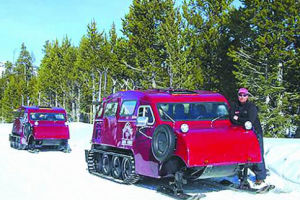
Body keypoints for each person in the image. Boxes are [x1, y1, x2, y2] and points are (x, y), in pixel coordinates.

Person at [229, 88, 267, 187]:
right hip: (240, 133)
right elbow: (231, 118)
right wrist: (241, 120)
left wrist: (238, 119)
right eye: (240, 95)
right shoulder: (234, 105)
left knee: (258, 153)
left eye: (244, 95)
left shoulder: (251, 107)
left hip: (254, 133)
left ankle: (261, 177)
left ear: (247, 96)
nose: (242, 97)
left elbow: (250, 120)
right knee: (241, 153)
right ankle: (240, 173)